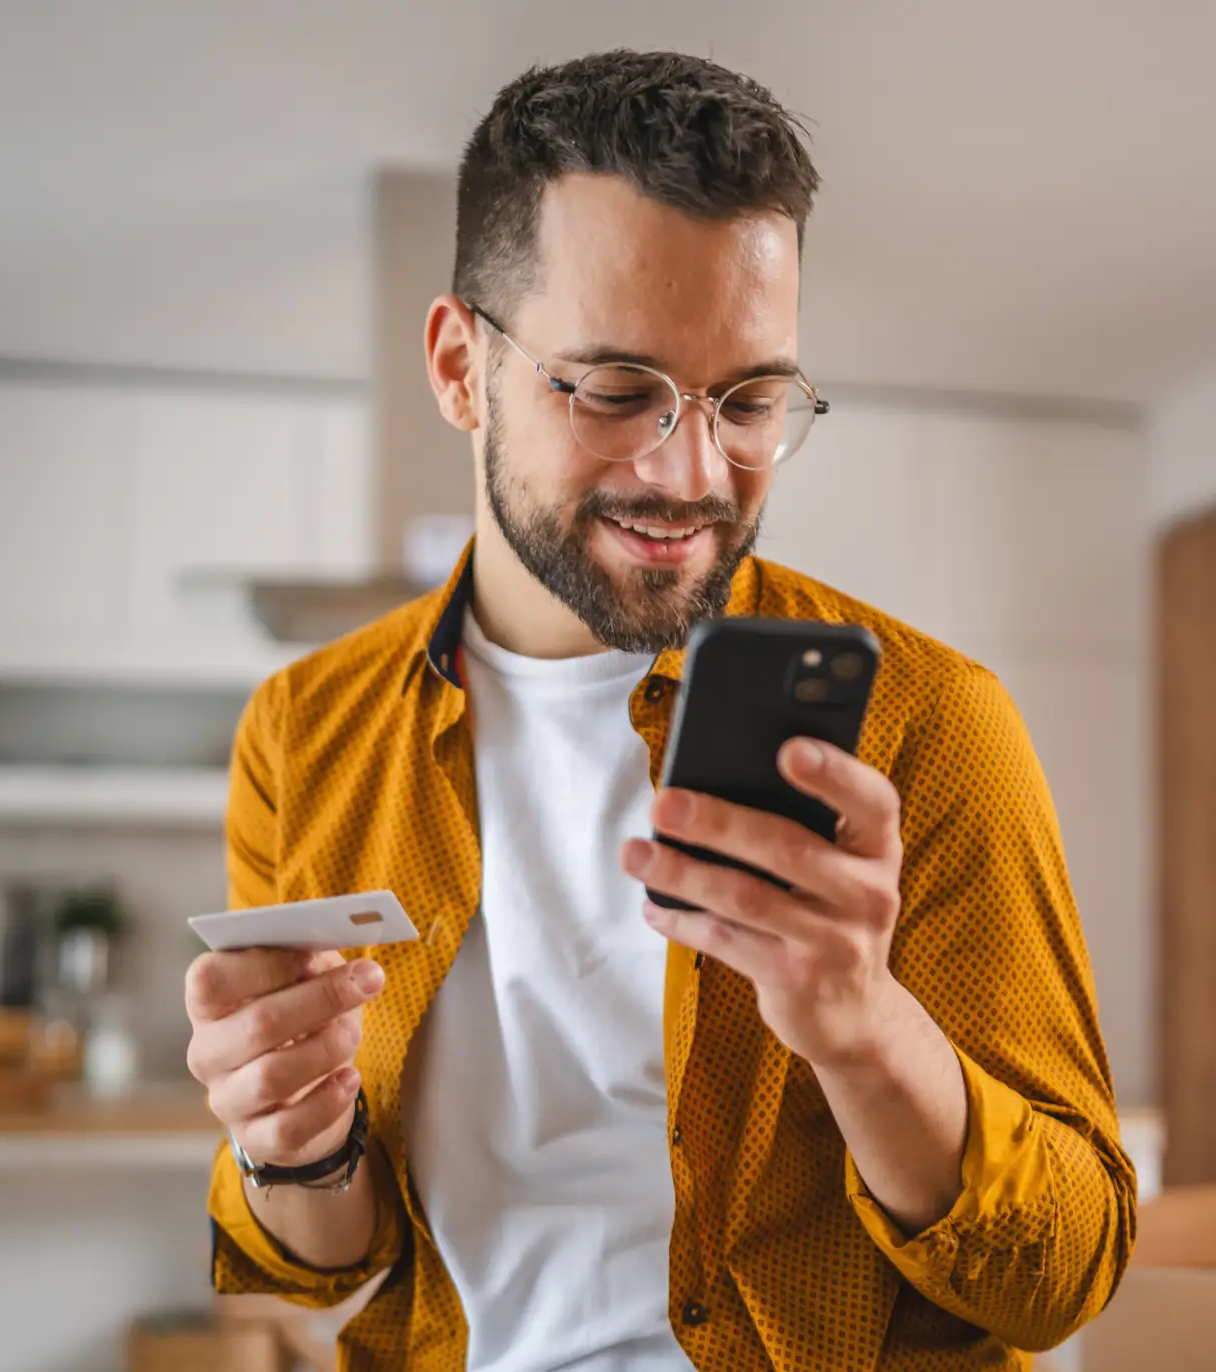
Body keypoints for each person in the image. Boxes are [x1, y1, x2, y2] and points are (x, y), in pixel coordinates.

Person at [185, 49, 1135, 1372]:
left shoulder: (933, 724)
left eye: (748, 401)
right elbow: (326, 1258)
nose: (691, 472)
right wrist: (296, 1141)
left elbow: (1067, 1274)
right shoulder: (306, 731)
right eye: (617, 391)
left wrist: (866, 1036)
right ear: (462, 366)